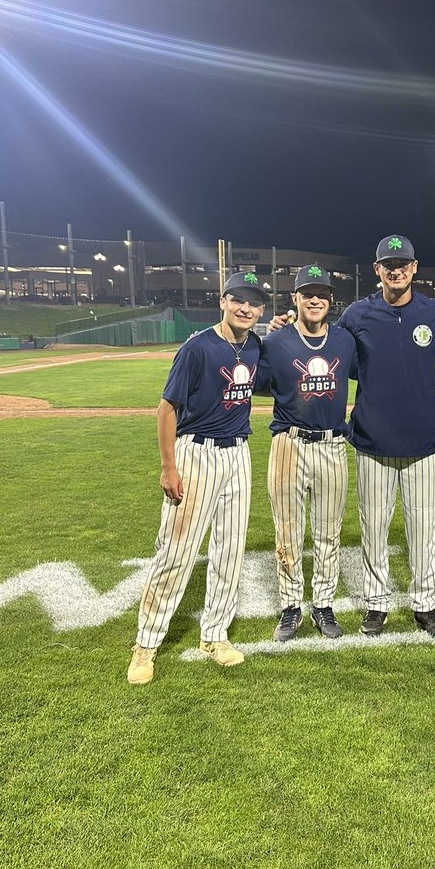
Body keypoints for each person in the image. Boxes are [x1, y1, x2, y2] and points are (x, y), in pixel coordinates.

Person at [127, 271, 266, 684]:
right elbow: (167, 408)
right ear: (222, 301)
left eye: (254, 303)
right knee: (176, 553)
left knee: (229, 552)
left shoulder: (256, 345)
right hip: (197, 454)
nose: (246, 308)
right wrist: (169, 466)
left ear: (261, 310)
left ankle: (215, 635)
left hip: (238, 453)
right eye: (238, 299)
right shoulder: (198, 348)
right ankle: (146, 644)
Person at [338, 236, 435, 638]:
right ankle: (376, 603)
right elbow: (333, 355)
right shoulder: (357, 314)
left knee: (423, 527)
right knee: (374, 527)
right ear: (377, 269)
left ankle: (425, 604)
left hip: (421, 441)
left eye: (403, 263)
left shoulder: (433, 313)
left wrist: (420, 388)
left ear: (415, 267)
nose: (396, 269)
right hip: (371, 440)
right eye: (389, 264)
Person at [258, 264, 357, 643]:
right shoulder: (276, 341)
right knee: (287, 531)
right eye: (307, 293)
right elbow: (260, 384)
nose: (315, 299)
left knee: (329, 533)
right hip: (289, 444)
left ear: (330, 301)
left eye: (322, 293)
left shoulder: (345, 341)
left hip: (332, 444)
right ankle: (290, 607)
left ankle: (324, 605)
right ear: (294, 298)